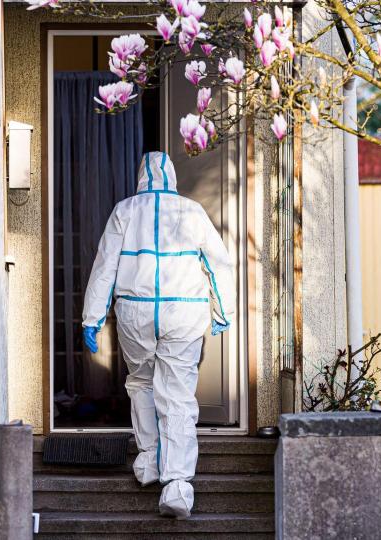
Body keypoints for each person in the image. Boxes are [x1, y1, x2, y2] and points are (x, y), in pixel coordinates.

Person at [81, 151, 235, 519]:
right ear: (172, 178)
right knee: (177, 394)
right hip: (183, 310)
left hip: (135, 310)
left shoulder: (125, 210)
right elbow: (218, 263)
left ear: (140, 178)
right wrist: (222, 311)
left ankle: (150, 461)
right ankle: (178, 485)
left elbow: (105, 265)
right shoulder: (191, 211)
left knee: (142, 383)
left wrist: (92, 317)